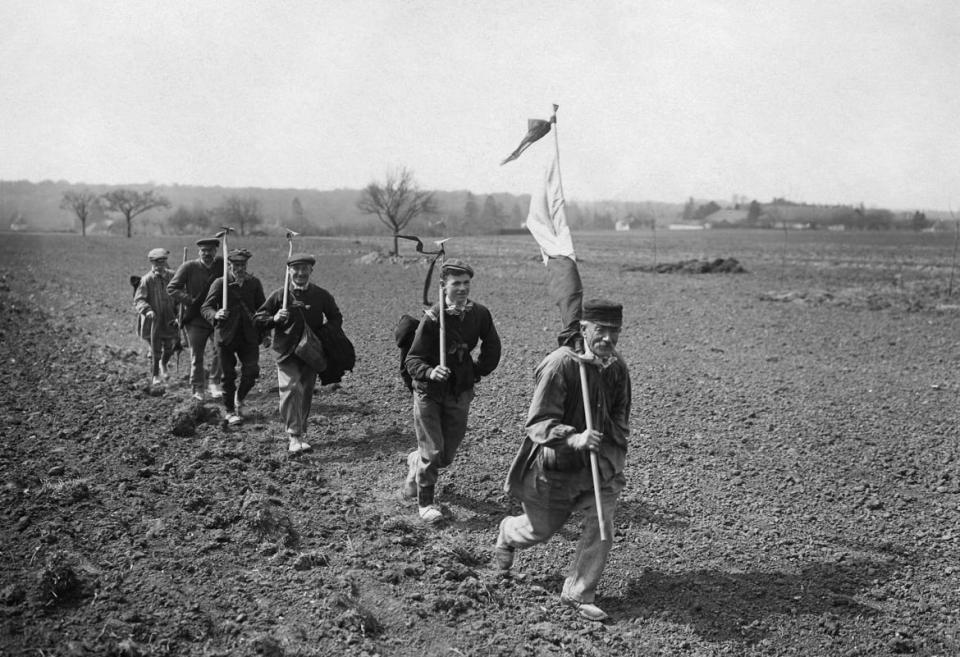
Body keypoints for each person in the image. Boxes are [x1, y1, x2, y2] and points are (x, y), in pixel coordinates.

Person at [495, 299, 631, 622]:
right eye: (601, 331)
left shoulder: (616, 368)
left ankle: (578, 592)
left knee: (602, 524)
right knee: (538, 530)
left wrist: (609, 447)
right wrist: (574, 437)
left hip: (599, 467)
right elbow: (538, 423)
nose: (609, 339)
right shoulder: (560, 365)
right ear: (584, 328)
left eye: (615, 332)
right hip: (558, 467)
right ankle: (507, 533)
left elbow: (621, 415)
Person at [402, 258, 501, 523]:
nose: (462, 288)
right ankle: (425, 504)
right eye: (456, 283)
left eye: (466, 283)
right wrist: (431, 372)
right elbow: (413, 359)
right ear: (444, 286)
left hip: (459, 392)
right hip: (428, 393)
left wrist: (475, 370)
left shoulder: (479, 313)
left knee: (445, 456)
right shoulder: (434, 317)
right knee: (433, 451)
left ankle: (416, 461)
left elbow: (492, 346)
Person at [255, 253, 342, 454]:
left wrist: (324, 336)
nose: (300, 273)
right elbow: (259, 316)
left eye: (305, 269)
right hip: (286, 351)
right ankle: (294, 435)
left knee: (305, 392)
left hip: (311, 353)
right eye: (296, 269)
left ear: (311, 271)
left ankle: (300, 431)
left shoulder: (321, 295)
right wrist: (274, 318)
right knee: (290, 388)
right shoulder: (280, 295)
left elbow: (336, 317)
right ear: (289, 271)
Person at [201, 248, 266, 426]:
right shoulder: (219, 283)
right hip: (225, 336)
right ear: (229, 265)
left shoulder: (254, 283)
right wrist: (216, 314)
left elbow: (262, 310)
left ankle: (240, 398)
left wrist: (266, 332)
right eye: (236, 265)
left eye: (242, 265)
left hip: (249, 336)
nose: (239, 268)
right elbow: (205, 308)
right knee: (228, 376)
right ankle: (229, 411)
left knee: (252, 371)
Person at [167, 237, 224, 401]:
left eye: (210, 250)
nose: (207, 254)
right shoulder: (189, 267)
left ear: (216, 251)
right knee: (196, 356)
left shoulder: (222, 266)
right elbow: (172, 288)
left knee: (220, 350)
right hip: (195, 320)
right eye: (204, 251)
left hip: (216, 317)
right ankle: (198, 388)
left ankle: (215, 383)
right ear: (199, 252)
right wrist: (190, 300)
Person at [133, 248, 178, 386]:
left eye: (162, 263)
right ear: (152, 263)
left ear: (165, 262)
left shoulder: (173, 276)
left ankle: (163, 364)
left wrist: (180, 311)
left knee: (170, 347)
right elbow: (139, 300)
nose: (159, 266)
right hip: (153, 321)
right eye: (156, 263)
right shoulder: (146, 280)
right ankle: (156, 374)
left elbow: (181, 294)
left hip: (170, 319)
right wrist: (147, 310)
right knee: (155, 349)